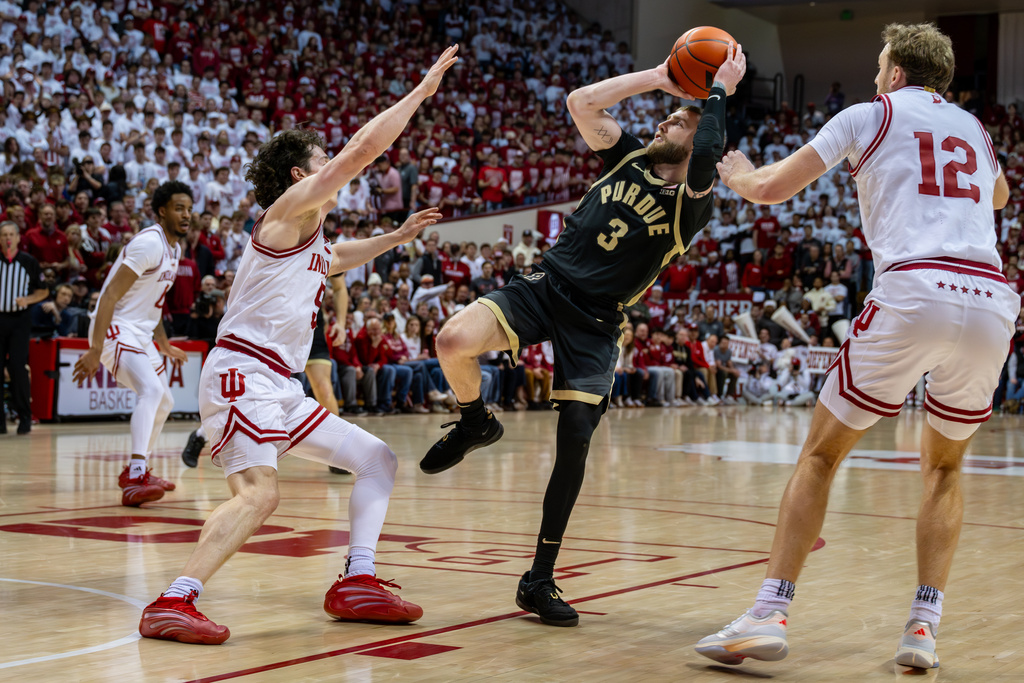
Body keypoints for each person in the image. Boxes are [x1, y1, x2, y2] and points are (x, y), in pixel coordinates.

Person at [695, 24, 1019, 670]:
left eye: (880, 67)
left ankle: (768, 610)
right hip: (989, 298)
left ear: (897, 73)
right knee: (945, 468)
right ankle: (923, 628)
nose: (875, 77)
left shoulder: (868, 114)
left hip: (916, 288)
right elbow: (1002, 194)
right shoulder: (976, 131)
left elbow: (769, 190)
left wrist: (736, 173)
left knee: (819, 454)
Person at [137, 45, 458, 645]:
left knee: (376, 460)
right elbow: (363, 152)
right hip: (243, 372)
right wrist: (420, 93)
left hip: (277, 385)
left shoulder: (310, 239)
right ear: (298, 176)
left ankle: (356, 582)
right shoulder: (286, 213)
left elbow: (339, 257)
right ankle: (173, 600)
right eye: (320, 160)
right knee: (260, 494)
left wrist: (399, 234)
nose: (332, 165)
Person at [420, 42, 746, 626]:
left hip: (596, 321)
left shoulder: (692, 203)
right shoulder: (626, 159)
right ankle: (475, 422)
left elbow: (712, 149)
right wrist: (661, 78)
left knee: (574, 438)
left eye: (680, 119)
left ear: (700, 140)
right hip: (544, 285)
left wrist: (718, 90)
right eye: (668, 113)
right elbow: (581, 102)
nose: (665, 118)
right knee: (450, 341)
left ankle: (538, 578)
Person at [71, 181, 193, 506]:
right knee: (150, 391)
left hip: (140, 333)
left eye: (190, 209)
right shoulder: (150, 243)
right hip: (114, 328)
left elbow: (155, 303)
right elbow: (109, 295)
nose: (187, 215)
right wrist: (96, 349)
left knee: (164, 400)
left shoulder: (176, 249)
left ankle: (138, 469)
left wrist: (164, 344)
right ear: (162, 211)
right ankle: (136, 476)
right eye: (179, 208)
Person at [1, 221, 49, 434]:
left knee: (18, 368)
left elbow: (44, 291)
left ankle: (25, 417)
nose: (8, 238)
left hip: (19, 320)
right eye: (3, 235)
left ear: (19, 237)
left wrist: (28, 300)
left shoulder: (28, 262)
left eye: (11, 234)